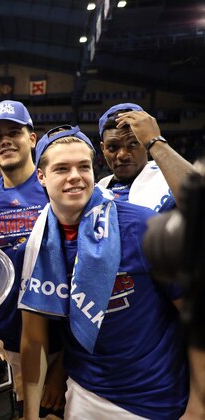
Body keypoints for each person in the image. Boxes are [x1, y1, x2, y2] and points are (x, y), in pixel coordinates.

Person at [19, 125, 189, 419]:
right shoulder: (37, 244)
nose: (75, 176)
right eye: (61, 168)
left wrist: (199, 405)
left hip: (156, 399)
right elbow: (34, 339)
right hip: (84, 393)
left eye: (83, 166)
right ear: (41, 177)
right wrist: (30, 415)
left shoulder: (142, 227)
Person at [0, 100, 65, 415]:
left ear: (31, 138)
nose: (5, 140)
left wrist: (63, 368)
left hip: (56, 348)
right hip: (3, 346)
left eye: (13, 132)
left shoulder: (54, 190)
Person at [97, 102, 195, 211]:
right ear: (103, 149)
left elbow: (199, 198)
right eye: (113, 147)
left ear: (146, 144)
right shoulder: (99, 189)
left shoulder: (168, 178)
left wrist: (155, 141)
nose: (122, 155)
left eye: (133, 144)